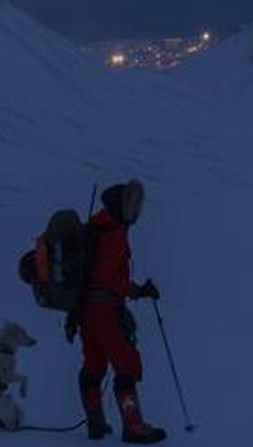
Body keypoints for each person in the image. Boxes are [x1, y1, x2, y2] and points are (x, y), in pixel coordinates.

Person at [79, 180, 166, 444]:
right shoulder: (114, 233)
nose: (137, 210)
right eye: (134, 204)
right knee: (125, 365)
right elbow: (108, 278)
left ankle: (95, 422)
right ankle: (133, 426)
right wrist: (138, 291)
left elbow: (96, 274)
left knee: (94, 364)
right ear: (123, 205)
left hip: (87, 310)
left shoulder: (97, 225)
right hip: (106, 310)